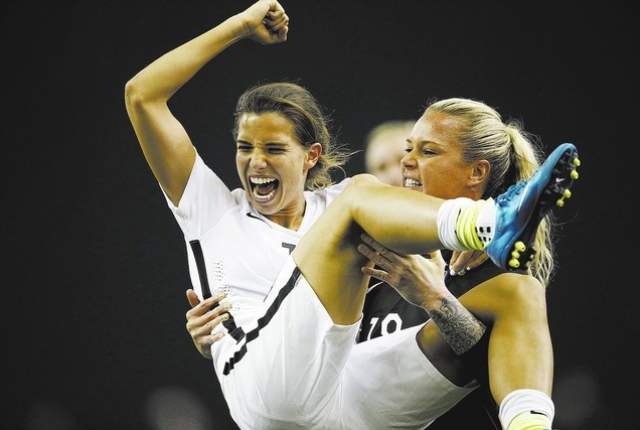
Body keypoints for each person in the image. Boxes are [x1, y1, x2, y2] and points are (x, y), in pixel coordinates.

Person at [124, 1, 581, 428]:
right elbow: (142, 95)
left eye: (274, 149)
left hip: (344, 396)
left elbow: (471, 346)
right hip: (268, 393)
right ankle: (488, 223)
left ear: (311, 156)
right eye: (245, 148)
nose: (255, 162)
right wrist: (240, 25)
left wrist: (440, 298)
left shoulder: (338, 210)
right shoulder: (215, 209)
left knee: (517, 292)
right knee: (362, 197)